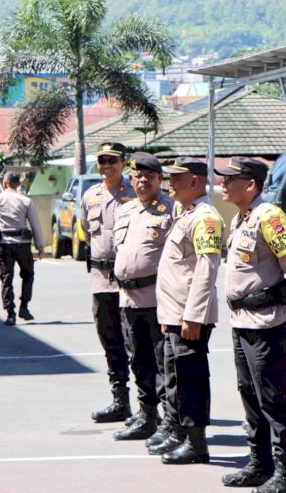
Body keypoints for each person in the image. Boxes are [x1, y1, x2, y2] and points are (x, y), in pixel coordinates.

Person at [216, 157, 286, 491]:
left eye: (229, 179)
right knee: (250, 395)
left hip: (267, 322)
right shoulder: (242, 218)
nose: (222, 184)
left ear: (251, 184)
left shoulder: (270, 217)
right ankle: (260, 463)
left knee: (274, 399)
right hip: (242, 320)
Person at [150, 157, 222, 465]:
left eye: (177, 179)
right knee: (174, 379)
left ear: (195, 182)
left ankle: (197, 444)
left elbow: (206, 269)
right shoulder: (186, 212)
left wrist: (192, 316)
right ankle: (179, 433)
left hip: (188, 317)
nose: (170, 184)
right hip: (174, 314)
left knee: (190, 379)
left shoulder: (206, 217)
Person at [112, 152, 175, 441]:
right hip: (128, 299)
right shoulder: (125, 211)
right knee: (138, 361)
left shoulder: (170, 210)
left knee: (163, 365)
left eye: (149, 175)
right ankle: (147, 416)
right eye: (138, 175)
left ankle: (169, 422)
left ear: (160, 178)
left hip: (156, 300)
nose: (143, 180)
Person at [81, 142, 136, 423]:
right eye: (102, 160)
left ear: (123, 163)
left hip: (131, 283)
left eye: (112, 161)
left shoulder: (136, 193)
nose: (106, 166)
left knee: (136, 344)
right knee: (110, 342)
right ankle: (120, 401)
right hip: (101, 281)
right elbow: (89, 235)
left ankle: (147, 406)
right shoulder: (90, 196)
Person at [0, 171, 45, 326]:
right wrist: (40, 246)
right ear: (18, 184)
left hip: (4, 244)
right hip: (23, 245)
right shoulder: (26, 201)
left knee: (6, 278)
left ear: (4, 183)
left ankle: (10, 313)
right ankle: (24, 307)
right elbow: (35, 224)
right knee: (28, 275)